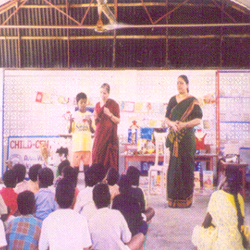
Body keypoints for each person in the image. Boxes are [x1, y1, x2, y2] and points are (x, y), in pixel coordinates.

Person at [164, 75, 203, 208]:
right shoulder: (172, 100)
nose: (179, 85)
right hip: (175, 136)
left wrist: (184, 125)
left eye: (182, 83)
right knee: (174, 168)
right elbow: (166, 119)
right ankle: (173, 200)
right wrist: (173, 124)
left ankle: (186, 200)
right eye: (177, 83)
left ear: (187, 84)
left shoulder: (193, 101)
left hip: (186, 139)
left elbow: (198, 120)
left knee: (186, 167)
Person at [192, 165, 249, 250]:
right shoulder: (240, 198)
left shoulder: (217, 195)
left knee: (199, 234)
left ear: (225, 178)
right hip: (238, 242)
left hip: (222, 245)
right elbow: (240, 224)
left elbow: (206, 224)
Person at [39, 179, 92, 250]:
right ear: (74, 199)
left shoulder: (48, 220)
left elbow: (42, 248)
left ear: (55, 198)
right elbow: (86, 248)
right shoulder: (82, 220)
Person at [89, 183, 145, 250]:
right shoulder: (117, 214)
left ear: (94, 201)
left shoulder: (91, 220)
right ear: (110, 198)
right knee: (140, 236)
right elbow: (127, 238)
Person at [92, 83, 120, 172]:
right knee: (97, 156)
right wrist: (95, 118)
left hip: (110, 137)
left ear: (108, 94)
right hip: (99, 136)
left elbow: (118, 120)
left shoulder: (114, 104)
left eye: (104, 93)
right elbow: (96, 122)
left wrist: (110, 114)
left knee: (109, 160)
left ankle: (110, 180)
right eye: (101, 93)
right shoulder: (97, 105)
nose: (102, 95)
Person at [68, 92, 95, 174]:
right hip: (77, 147)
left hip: (87, 147)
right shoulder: (73, 115)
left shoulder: (90, 115)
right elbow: (69, 131)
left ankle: (88, 187)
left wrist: (90, 124)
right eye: (81, 102)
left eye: (84, 102)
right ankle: (74, 187)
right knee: (75, 170)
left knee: (87, 170)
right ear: (77, 103)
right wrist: (70, 122)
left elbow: (93, 131)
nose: (83, 104)